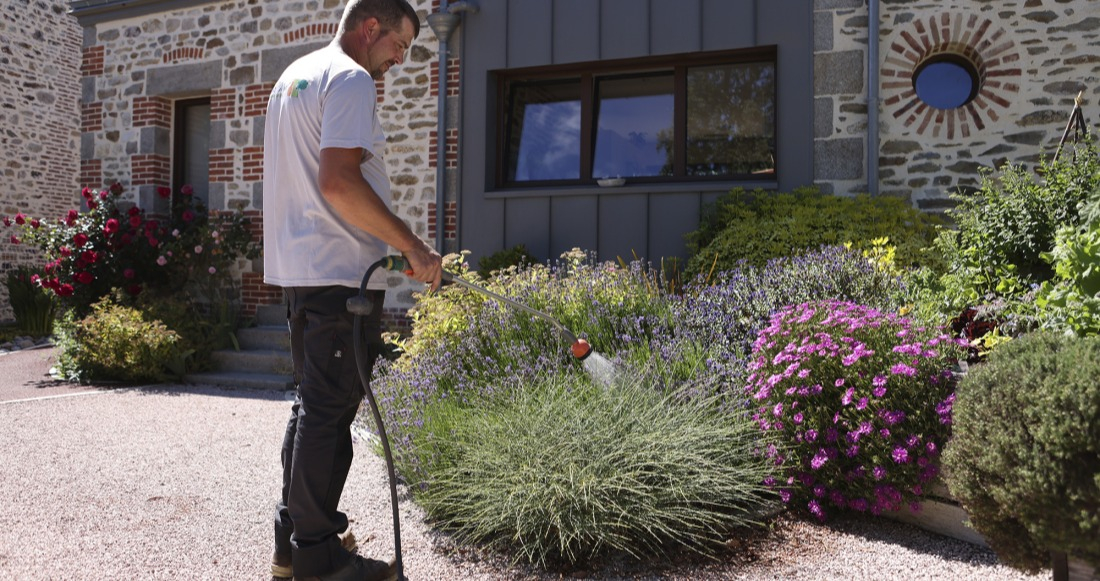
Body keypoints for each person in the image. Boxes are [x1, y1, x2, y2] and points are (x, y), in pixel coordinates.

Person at [262, 0, 443, 579]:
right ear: (370, 28)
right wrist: (412, 245)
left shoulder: (294, 77)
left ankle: (292, 544)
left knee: (312, 406)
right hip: (340, 274)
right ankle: (318, 557)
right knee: (329, 410)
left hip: (303, 272)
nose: (400, 59)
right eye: (400, 45)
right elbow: (339, 182)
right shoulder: (351, 78)